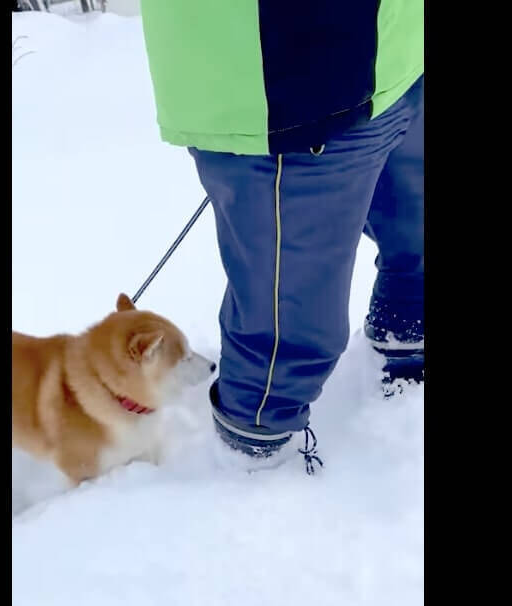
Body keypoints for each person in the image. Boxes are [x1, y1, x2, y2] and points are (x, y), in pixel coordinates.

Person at [139, 1, 425, 469]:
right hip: (281, 76)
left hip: (402, 46)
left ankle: (407, 333)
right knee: (288, 327)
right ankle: (255, 459)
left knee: (413, 234)